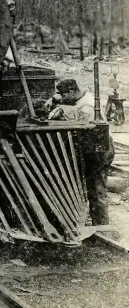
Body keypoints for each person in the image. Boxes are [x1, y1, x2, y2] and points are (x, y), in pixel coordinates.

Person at [46, 78, 114, 226]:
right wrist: (55, 99)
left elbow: (79, 119)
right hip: (92, 148)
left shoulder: (88, 106)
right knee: (91, 187)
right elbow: (64, 101)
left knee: (97, 190)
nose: (62, 98)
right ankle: (95, 221)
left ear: (71, 92)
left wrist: (63, 110)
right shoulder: (81, 97)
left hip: (100, 150)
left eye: (64, 95)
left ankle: (102, 226)